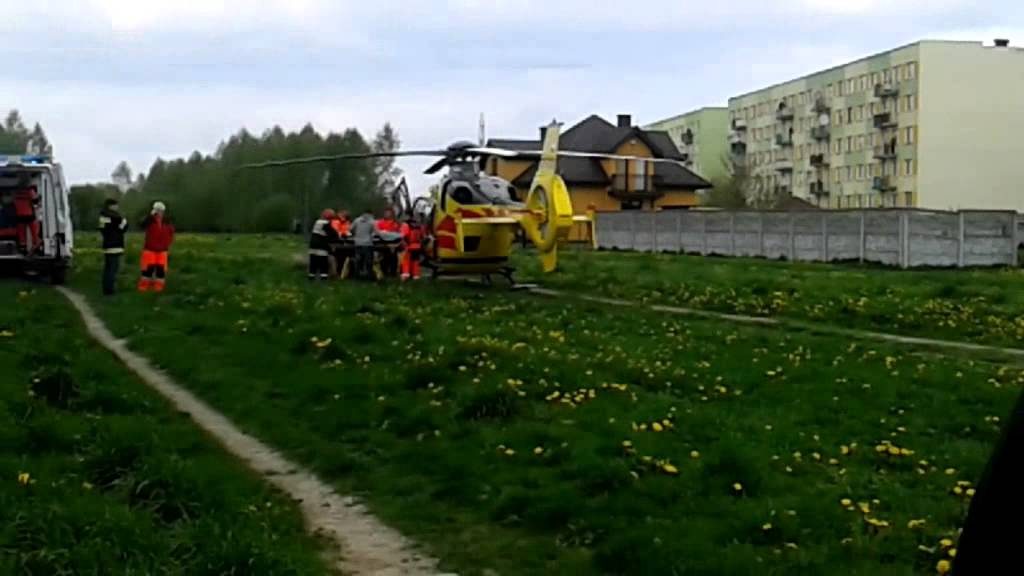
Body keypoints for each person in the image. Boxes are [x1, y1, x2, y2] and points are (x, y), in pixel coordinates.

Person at [138, 201, 175, 292]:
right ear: (154, 210)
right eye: (157, 210)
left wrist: (167, 243)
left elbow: (171, 233)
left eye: (161, 210)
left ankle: (158, 290)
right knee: (147, 271)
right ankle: (143, 289)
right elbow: (141, 225)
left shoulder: (167, 222)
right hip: (150, 250)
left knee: (161, 271)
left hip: (162, 250)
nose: (159, 212)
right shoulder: (149, 220)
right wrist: (149, 216)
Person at [98, 198, 127, 295]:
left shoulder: (102, 216)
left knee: (107, 268)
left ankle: (106, 289)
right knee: (113, 269)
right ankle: (110, 291)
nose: (117, 207)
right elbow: (122, 228)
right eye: (116, 205)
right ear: (111, 206)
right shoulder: (116, 217)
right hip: (116, 244)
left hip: (107, 244)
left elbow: (103, 229)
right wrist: (123, 224)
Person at [308, 209, 339, 280]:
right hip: (321, 245)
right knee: (323, 263)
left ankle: (311, 277)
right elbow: (333, 234)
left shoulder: (317, 222)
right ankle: (323, 277)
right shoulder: (325, 223)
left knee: (313, 262)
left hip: (312, 244)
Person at [350, 208, 377, 280]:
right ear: (371, 214)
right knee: (368, 262)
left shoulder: (356, 220)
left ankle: (356, 276)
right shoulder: (372, 221)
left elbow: (351, 229)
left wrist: (355, 235)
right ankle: (369, 276)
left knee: (358, 261)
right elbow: (375, 232)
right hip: (368, 244)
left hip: (357, 243)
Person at [376, 207, 401, 277]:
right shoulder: (380, 222)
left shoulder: (395, 222)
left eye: (389, 213)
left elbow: (398, 232)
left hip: (393, 243)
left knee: (393, 258)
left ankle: (393, 272)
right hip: (383, 243)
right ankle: (384, 271)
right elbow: (378, 232)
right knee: (384, 258)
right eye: (386, 213)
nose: (387, 214)